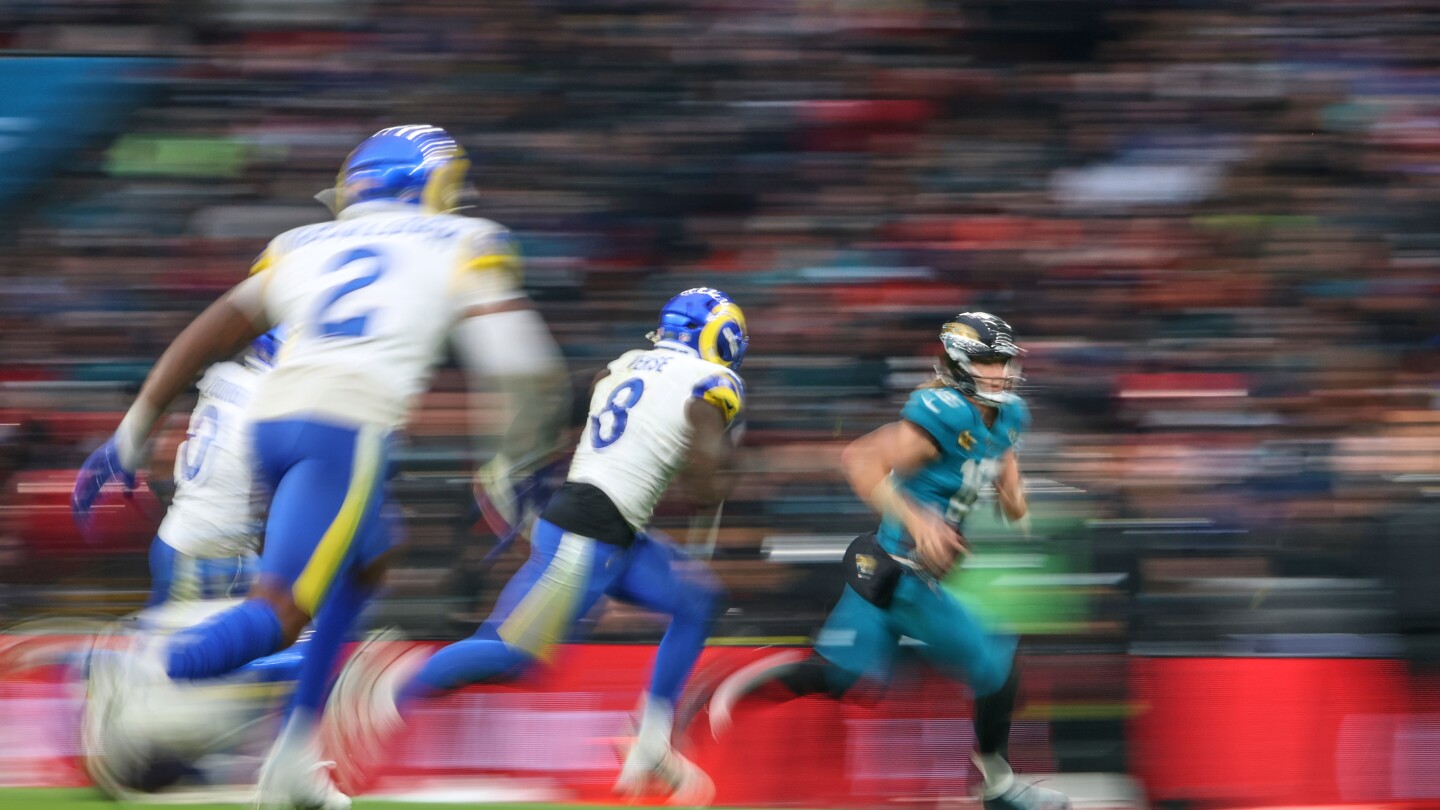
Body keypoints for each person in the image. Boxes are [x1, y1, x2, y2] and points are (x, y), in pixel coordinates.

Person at [70, 124, 569, 810]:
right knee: (279, 613)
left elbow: (211, 330)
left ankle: (293, 760)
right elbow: (522, 366)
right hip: (343, 427)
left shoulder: (301, 243)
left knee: (371, 555)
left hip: (277, 423)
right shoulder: (460, 239)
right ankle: (149, 668)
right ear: (425, 184)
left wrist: (134, 430)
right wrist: (519, 461)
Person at [331, 287, 745, 805]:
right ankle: (387, 688)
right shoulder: (712, 382)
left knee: (697, 600)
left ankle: (651, 739)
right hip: (588, 535)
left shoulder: (625, 363)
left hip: (611, 530)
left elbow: (572, 399)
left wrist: (528, 462)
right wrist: (722, 464)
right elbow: (704, 486)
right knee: (513, 652)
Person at [706, 312, 1070, 810]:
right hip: (901, 572)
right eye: (987, 361)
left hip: (884, 570)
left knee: (841, 678)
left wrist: (1016, 503)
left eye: (1003, 360)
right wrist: (920, 522)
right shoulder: (943, 413)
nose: (1000, 372)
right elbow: (859, 460)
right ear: (959, 363)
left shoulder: (1006, 415)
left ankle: (725, 687)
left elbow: (1001, 457)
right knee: (996, 664)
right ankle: (997, 788)